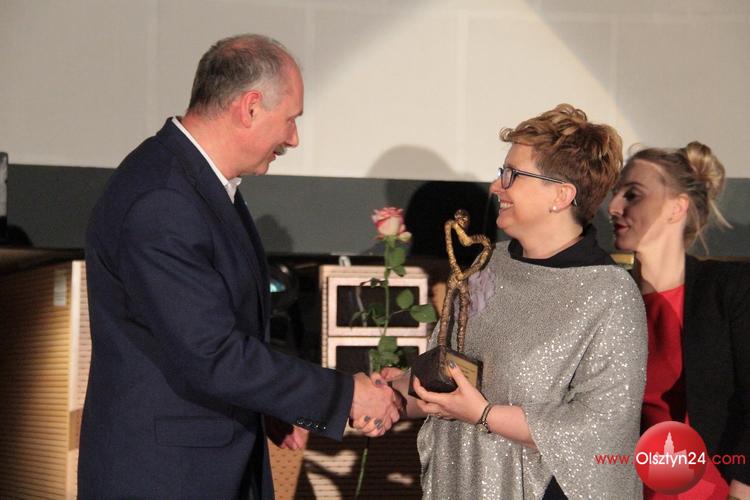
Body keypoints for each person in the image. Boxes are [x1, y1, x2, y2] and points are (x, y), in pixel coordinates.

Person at [79, 34, 400, 500]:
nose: (293, 138)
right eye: (290, 119)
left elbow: (200, 339)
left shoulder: (192, 184)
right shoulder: (163, 199)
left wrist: (269, 403)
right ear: (250, 107)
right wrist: (344, 395)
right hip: (165, 479)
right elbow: (211, 353)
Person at [382, 104, 648, 499]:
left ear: (561, 195)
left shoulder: (609, 294)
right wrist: (386, 394)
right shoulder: (489, 264)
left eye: (512, 175)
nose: (496, 186)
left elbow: (602, 427)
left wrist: (485, 415)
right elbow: (448, 372)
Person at [608, 142, 750, 499]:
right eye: (616, 194)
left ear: (677, 207)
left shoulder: (728, 289)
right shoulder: (611, 300)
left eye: (633, 194)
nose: (614, 207)